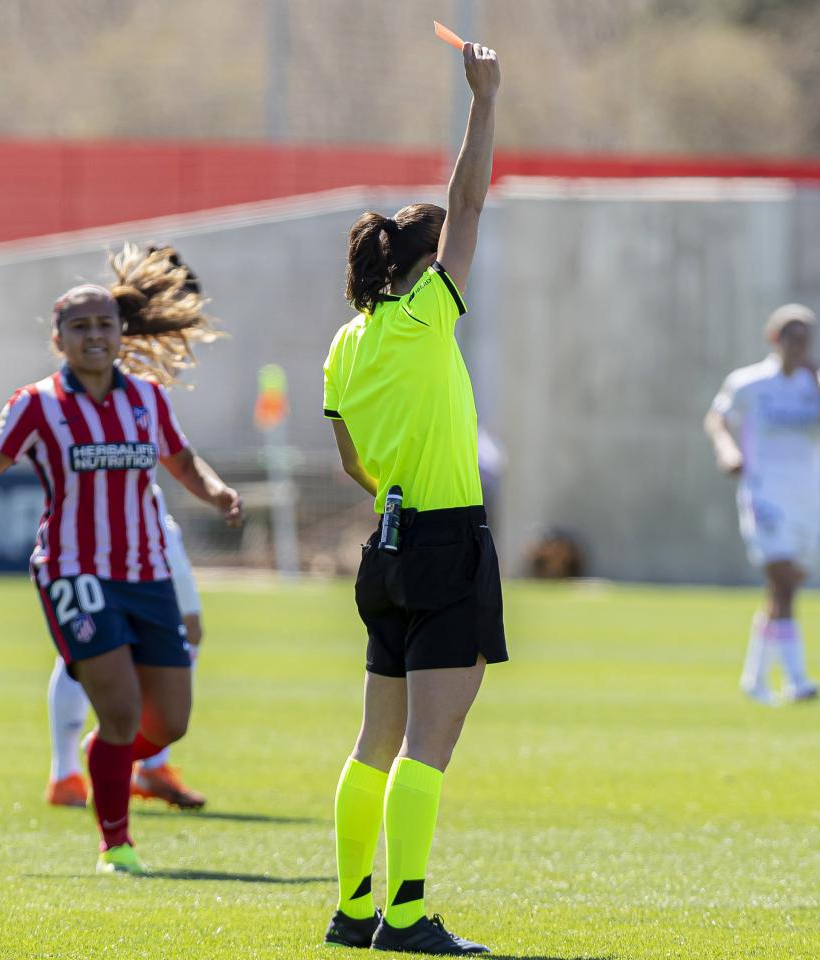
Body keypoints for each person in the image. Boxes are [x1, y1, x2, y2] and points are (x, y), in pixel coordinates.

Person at [0, 267, 242, 876]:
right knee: (121, 710)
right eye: (80, 326)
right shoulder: (35, 405)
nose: (94, 335)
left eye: (104, 324)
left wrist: (218, 492)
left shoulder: (148, 397)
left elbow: (183, 460)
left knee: (170, 721)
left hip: (148, 573)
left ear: (121, 331)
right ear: (58, 338)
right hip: (74, 574)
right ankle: (115, 845)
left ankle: (102, 757)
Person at [319, 40, 502, 955]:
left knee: (373, 742)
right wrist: (486, 97)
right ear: (426, 265)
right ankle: (406, 914)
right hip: (442, 541)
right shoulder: (431, 312)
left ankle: (353, 910)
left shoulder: (347, 343)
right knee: (432, 737)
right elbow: (468, 198)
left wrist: (395, 485)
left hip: (386, 549)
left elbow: (349, 455)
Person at [44, 244, 218, 812]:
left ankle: (142, 762)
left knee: (170, 638)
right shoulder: (104, 354)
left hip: (148, 529)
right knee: (97, 649)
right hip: (115, 539)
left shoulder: (129, 357)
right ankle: (77, 768)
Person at [704, 303, 820, 706]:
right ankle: (797, 680)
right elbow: (717, 419)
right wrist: (726, 451)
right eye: (792, 337)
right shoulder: (749, 382)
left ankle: (753, 678)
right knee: (783, 582)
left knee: (784, 589)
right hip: (764, 492)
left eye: (806, 339)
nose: (799, 346)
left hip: (809, 497)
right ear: (775, 339)